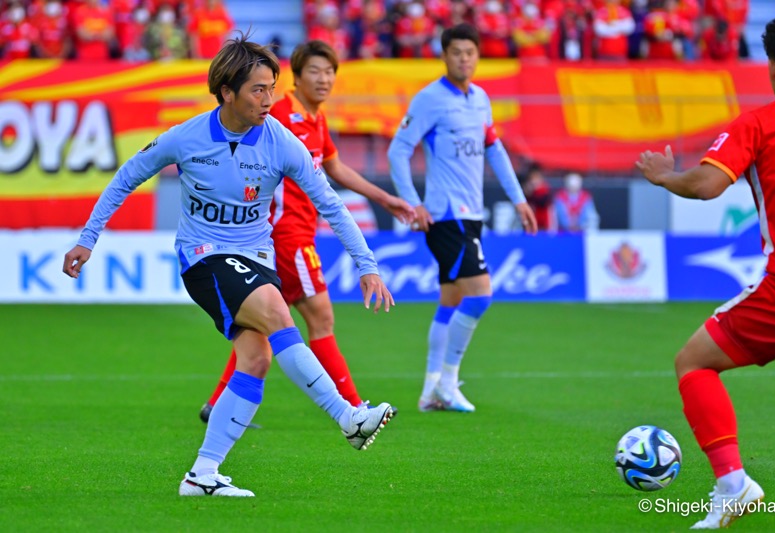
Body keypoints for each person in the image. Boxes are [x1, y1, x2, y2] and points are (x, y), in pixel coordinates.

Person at [62, 32, 396, 498]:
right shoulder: (186, 137)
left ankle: (202, 475)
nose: (269, 100)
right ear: (226, 93)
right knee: (281, 316)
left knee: (256, 359)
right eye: (258, 90)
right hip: (203, 257)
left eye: (272, 88)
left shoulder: (281, 141)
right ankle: (347, 416)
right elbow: (126, 178)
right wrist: (88, 238)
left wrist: (367, 264)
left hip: (256, 258)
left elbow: (332, 205)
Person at [635, 12, 775, 528]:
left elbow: (707, 187)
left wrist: (665, 175)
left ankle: (733, 484)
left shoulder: (759, 123)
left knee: (694, 363)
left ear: (771, 67)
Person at [199, 40, 415, 422]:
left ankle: (218, 402)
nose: (324, 79)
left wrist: (385, 198)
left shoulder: (316, 118)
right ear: (295, 77)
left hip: (293, 235)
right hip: (285, 234)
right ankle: (351, 406)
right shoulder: (276, 113)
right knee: (319, 318)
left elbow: (335, 169)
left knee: (263, 323)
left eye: (330, 72)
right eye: (315, 71)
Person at [387, 23, 537, 413]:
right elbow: (397, 151)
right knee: (481, 295)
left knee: (451, 299)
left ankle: (430, 390)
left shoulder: (480, 99)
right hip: (444, 215)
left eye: (470, 52)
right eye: (456, 52)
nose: (464, 59)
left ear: (477, 55)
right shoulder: (429, 99)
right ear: (444, 55)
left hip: (470, 215)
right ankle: (448, 384)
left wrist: (518, 198)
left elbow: (494, 149)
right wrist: (411, 202)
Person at [522, 161, 555, 233]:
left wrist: (532, 193)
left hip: (544, 224)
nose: (534, 180)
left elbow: (543, 202)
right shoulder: (528, 189)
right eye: (532, 178)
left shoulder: (545, 188)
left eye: (536, 177)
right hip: (531, 222)